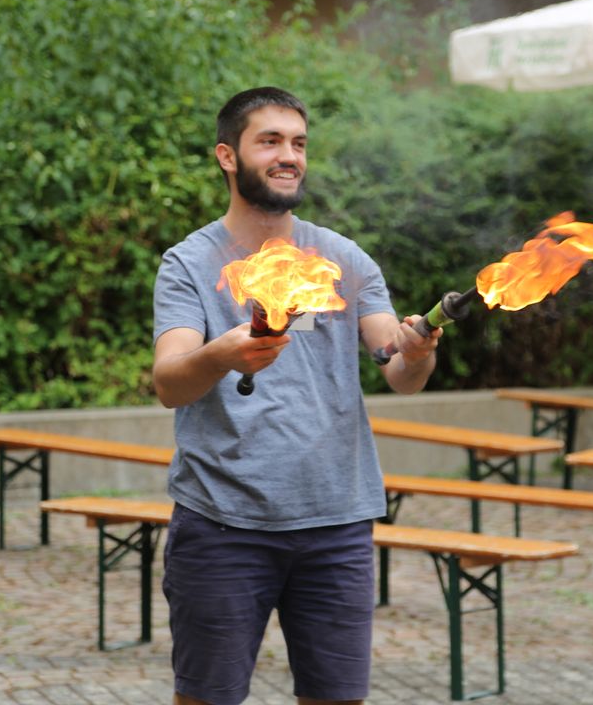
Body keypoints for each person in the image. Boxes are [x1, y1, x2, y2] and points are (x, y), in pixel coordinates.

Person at [152, 86, 440, 705]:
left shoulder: (344, 259)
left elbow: (396, 366)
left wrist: (418, 352)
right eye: (271, 141)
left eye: (299, 143)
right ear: (228, 156)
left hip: (336, 524)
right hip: (223, 522)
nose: (290, 156)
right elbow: (170, 380)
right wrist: (218, 355)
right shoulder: (189, 264)